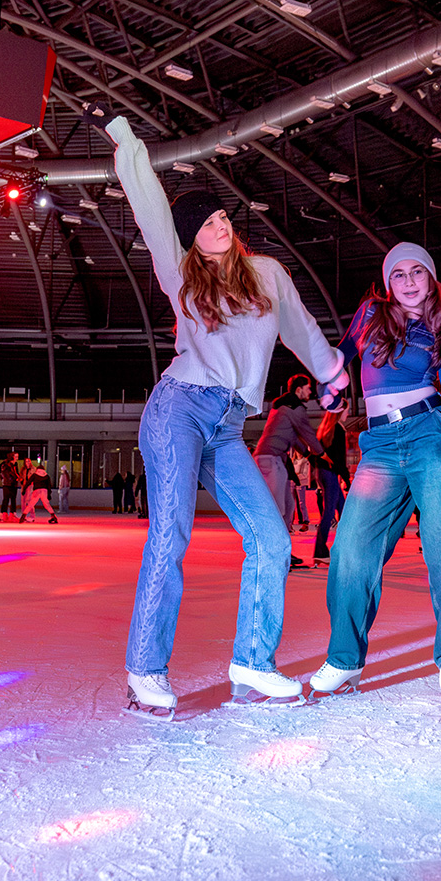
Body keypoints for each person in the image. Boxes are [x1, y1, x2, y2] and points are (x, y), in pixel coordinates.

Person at [105, 111, 347, 717]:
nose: (216, 226)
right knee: (172, 530)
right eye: (204, 224)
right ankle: (145, 668)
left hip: (228, 424)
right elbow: (150, 207)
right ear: (190, 239)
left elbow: (300, 328)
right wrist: (124, 137)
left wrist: (333, 374)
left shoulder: (267, 274)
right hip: (179, 410)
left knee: (269, 536)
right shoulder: (180, 274)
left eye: (219, 217)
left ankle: (253, 660)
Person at [309, 242, 441, 703]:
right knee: (350, 551)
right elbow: (341, 358)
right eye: (397, 273)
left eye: (416, 271)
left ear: (430, 279)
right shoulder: (370, 314)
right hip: (379, 444)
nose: (406, 281)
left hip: (431, 436)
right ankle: (345, 659)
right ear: (387, 282)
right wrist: (331, 386)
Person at [254, 374, 329, 567]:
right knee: (279, 510)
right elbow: (307, 434)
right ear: (298, 389)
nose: (310, 391)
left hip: (272, 459)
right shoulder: (295, 409)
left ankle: (283, 553)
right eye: (308, 388)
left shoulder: (283, 407)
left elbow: (294, 438)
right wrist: (321, 455)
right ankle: (274, 556)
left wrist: (308, 455)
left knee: (288, 508)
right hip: (271, 459)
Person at [309, 398, 351, 568]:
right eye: (346, 410)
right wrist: (347, 479)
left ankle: (345, 549)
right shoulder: (338, 430)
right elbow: (340, 459)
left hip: (323, 472)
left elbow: (316, 454)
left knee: (344, 510)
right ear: (340, 412)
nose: (348, 413)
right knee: (329, 513)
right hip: (331, 474)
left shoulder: (325, 429)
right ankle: (320, 551)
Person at [0, 451, 20, 521]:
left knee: (13, 499)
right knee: (6, 499)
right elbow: (5, 474)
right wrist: (14, 478)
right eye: (16, 456)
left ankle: (12, 514)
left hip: (14, 484)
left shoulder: (15, 465)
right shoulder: (6, 464)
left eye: (17, 456)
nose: (17, 458)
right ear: (12, 457)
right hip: (7, 484)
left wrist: (18, 478)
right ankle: (3, 514)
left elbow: (16, 473)